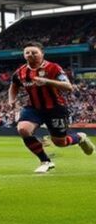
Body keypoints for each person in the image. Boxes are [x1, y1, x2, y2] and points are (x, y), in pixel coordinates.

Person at [8, 41, 94, 173]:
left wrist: (47, 81)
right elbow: (13, 86)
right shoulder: (20, 72)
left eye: (34, 52)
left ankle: (80, 137)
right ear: (24, 55)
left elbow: (68, 87)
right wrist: (11, 99)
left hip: (55, 108)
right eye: (27, 52)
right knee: (23, 129)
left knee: (60, 142)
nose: (30, 55)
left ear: (42, 54)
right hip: (33, 108)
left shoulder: (53, 68)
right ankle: (45, 161)